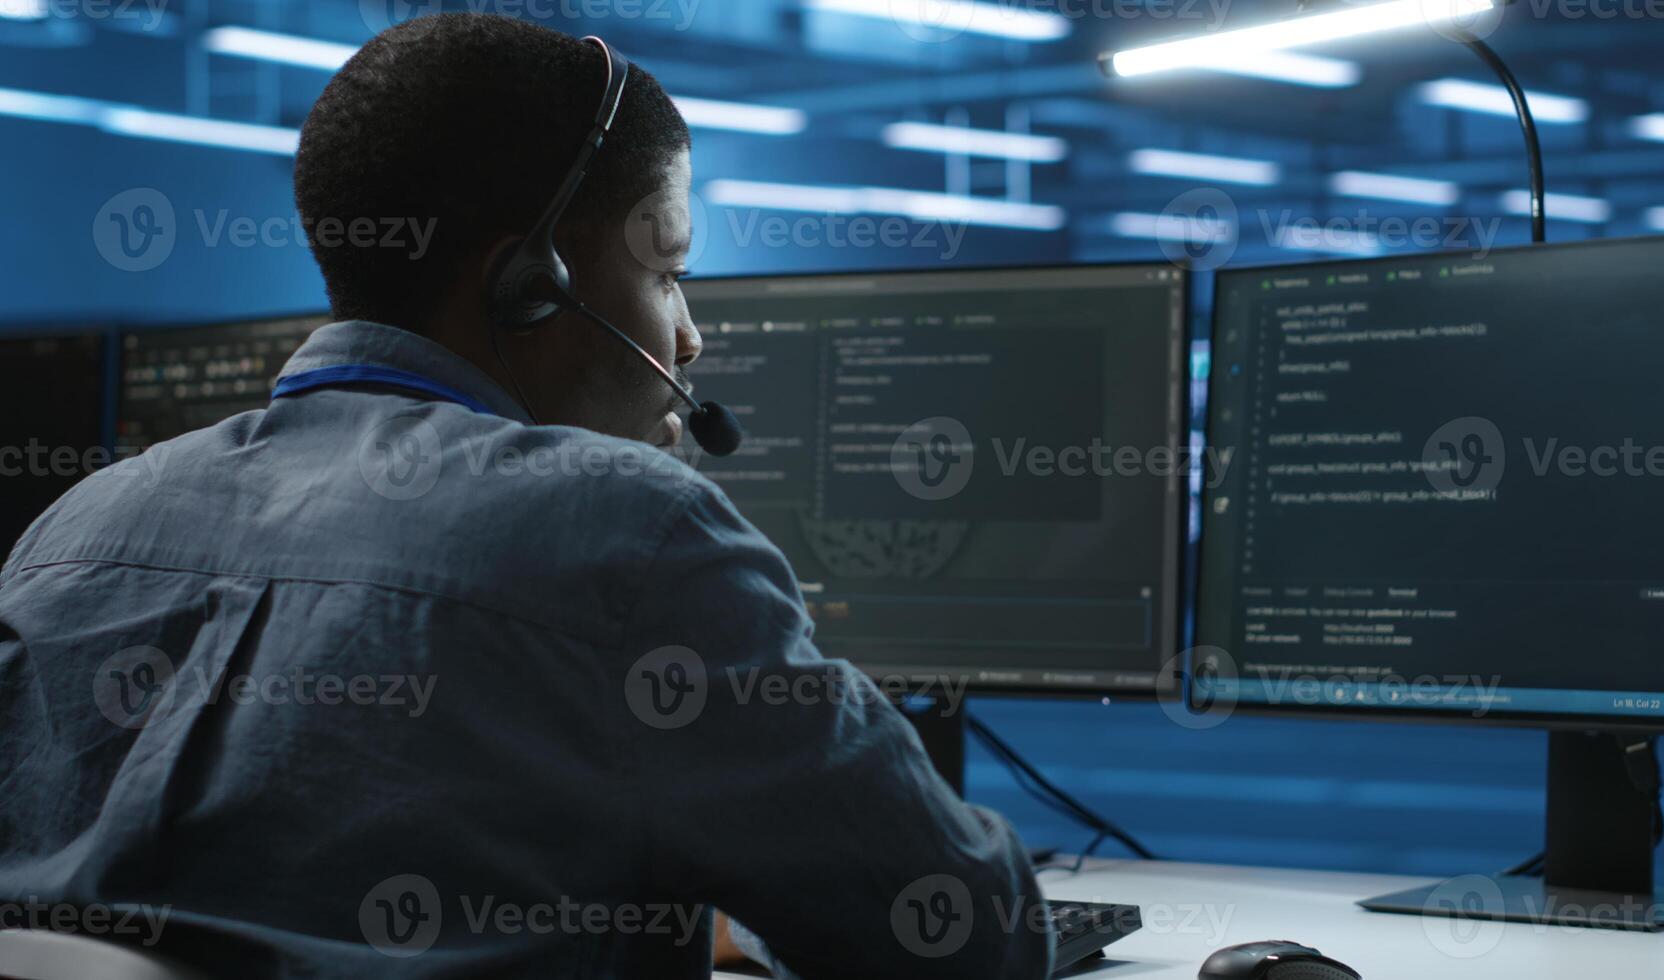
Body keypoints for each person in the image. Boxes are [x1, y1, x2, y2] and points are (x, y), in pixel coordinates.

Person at [0, 13, 1052, 979]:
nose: (687, 337)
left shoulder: (71, 531)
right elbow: (965, 934)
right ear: (532, 285)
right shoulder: (632, 535)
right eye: (668, 270)